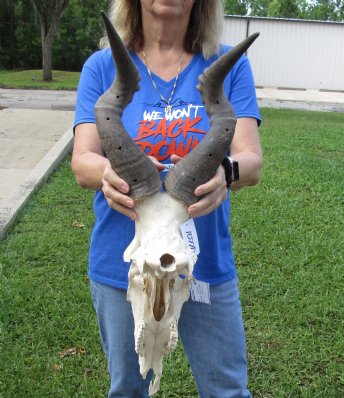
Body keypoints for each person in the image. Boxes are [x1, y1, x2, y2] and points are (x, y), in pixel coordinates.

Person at [72, 0, 263, 397]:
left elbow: (251, 160)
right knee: (128, 389)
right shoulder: (102, 67)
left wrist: (226, 172)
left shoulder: (228, 64)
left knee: (227, 389)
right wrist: (107, 174)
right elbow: (83, 160)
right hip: (125, 264)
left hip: (201, 260)